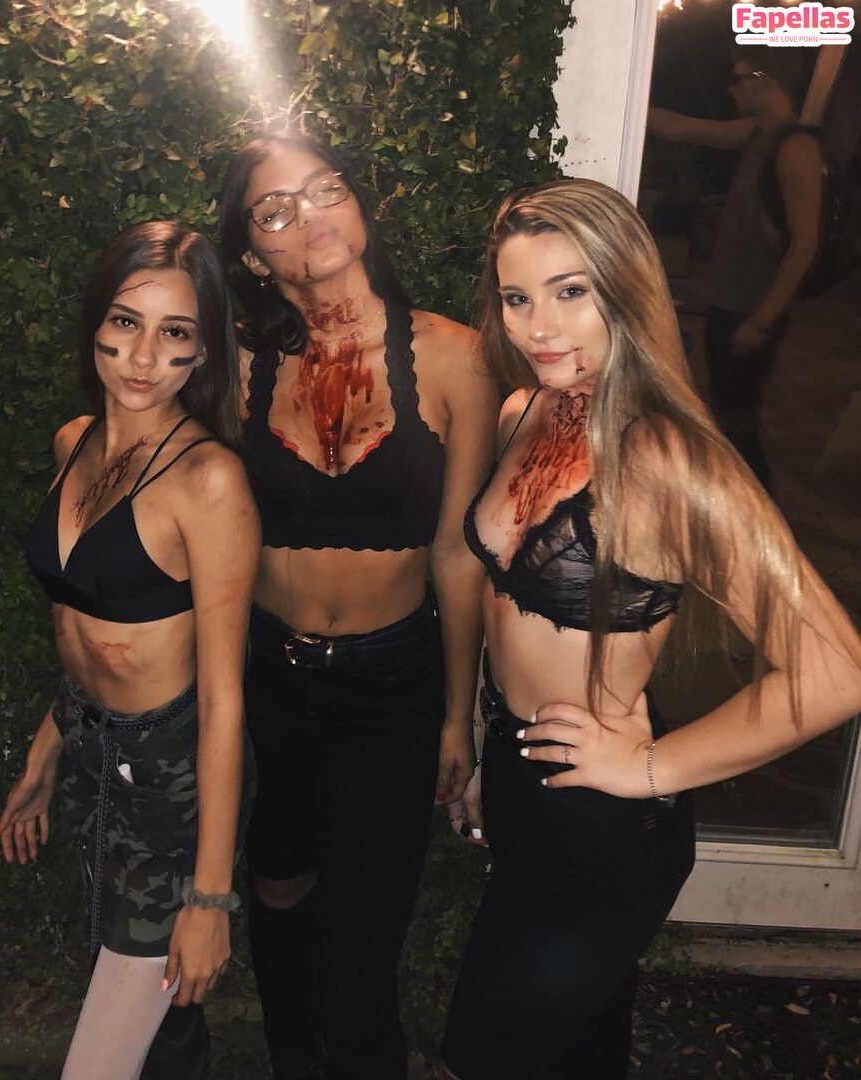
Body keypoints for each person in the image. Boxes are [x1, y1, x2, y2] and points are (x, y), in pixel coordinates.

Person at [441, 178, 861, 1080]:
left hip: (604, 821)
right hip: (524, 775)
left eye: (570, 291)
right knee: (578, 1048)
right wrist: (484, 748)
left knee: (481, 1052)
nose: (539, 327)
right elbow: (501, 612)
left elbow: (835, 671)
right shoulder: (529, 410)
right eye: (517, 297)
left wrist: (648, 769)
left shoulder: (667, 458)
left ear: (625, 288)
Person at [218, 133, 499, 1079]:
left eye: (324, 188)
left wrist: (458, 715)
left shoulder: (455, 358)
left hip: (393, 688)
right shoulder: (238, 366)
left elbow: (457, 554)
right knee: (278, 886)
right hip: (270, 677)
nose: (310, 215)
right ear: (253, 255)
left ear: (357, 202)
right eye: (275, 210)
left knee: (362, 941)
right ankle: (294, 1057)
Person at [0, 221, 260, 1080]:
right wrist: (43, 756)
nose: (143, 356)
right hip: (90, 753)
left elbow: (223, 700)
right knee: (158, 1022)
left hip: (172, 781)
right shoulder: (73, 442)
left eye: (175, 331)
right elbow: (77, 632)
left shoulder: (208, 482)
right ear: (95, 325)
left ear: (204, 349)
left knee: (105, 1054)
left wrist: (210, 896)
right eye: (125, 322)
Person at [646, 50, 824, 489]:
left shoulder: (796, 147)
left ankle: (759, 513)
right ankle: (740, 508)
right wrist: (623, 102)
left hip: (750, 308)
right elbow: (684, 128)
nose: (731, 89)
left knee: (737, 425)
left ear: (766, 80)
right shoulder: (756, 134)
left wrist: (761, 321)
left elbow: (806, 244)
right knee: (727, 417)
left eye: (739, 79)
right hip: (730, 302)